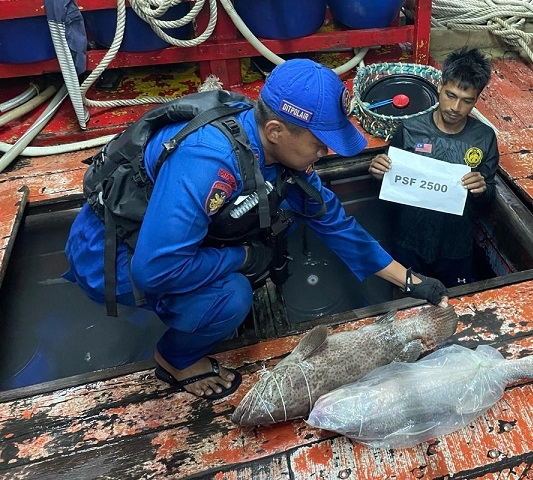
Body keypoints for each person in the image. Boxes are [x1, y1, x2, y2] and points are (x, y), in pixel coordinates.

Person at [63, 59, 448, 401]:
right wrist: (243, 256)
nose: (325, 153)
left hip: (172, 236)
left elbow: (332, 219)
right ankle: (175, 359)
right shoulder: (210, 162)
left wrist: (411, 280)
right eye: (319, 143)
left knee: (288, 215)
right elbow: (154, 269)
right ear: (278, 130)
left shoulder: (271, 144)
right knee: (233, 295)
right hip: (114, 258)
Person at [368, 47, 497, 288]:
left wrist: (482, 189)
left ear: (477, 99)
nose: (455, 107)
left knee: (457, 303)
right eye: (450, 95)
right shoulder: (410, 129)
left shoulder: (484, 138)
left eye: (466, 101)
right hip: (408, 242)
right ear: (440, 85)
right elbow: (388, 189)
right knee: (406, 301)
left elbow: (488, 199)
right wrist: (378, 173)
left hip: (456, 248)